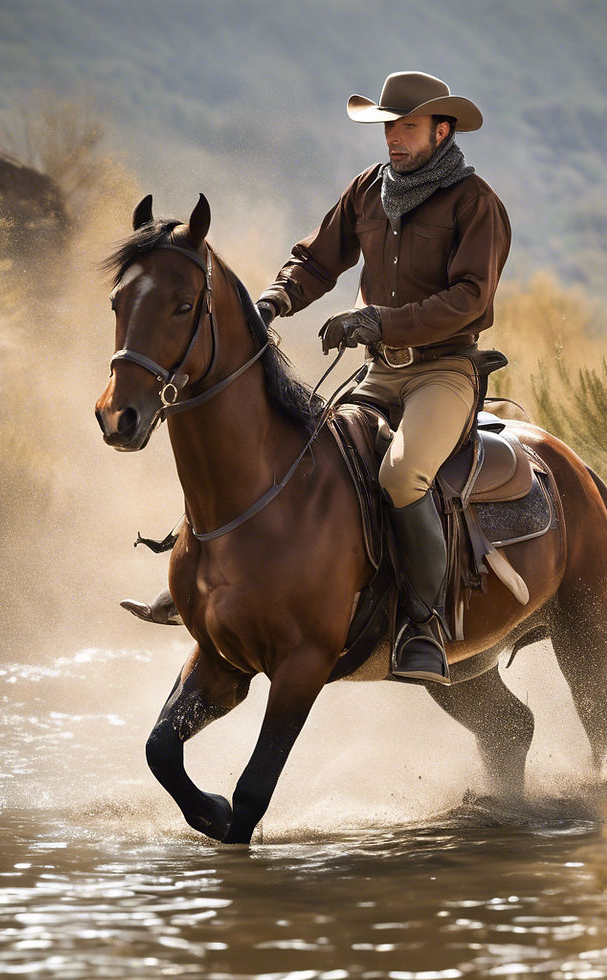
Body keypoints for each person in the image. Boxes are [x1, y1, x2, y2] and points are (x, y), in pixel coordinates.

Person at [125, 71, 511, 686]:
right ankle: (202, 581)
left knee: (402, 474)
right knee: (294, 452)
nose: (393, 138)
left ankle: (424, 622)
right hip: (381, 375)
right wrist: (272, 302)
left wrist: (378, 321)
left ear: (442, 131)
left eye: (407, 127)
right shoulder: (368, 191)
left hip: (443, 374)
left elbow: (470, 297)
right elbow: (318, 259)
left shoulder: (476, 203)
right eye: (389, 127)